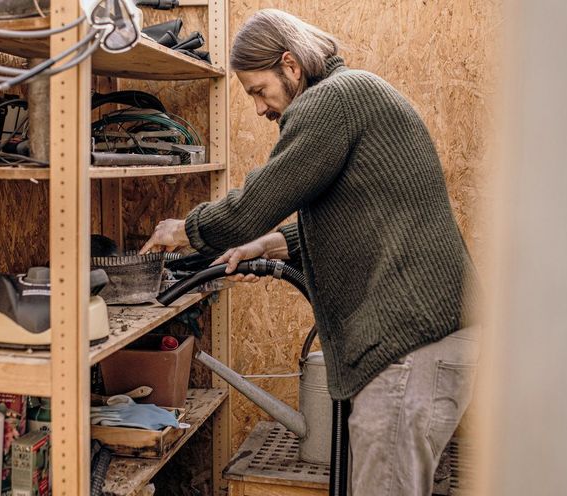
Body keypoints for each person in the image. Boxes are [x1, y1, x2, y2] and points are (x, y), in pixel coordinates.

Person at [140, 9, 479, 495]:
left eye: (258, 90)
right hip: (434, 339)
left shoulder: (331, 101)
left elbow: (254, 203)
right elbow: (356, 216)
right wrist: (267, 245)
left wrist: (185, 228)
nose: (259, 109)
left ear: (291, 65)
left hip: (410, 346)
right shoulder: (358, 95)